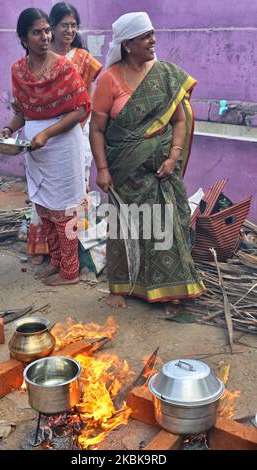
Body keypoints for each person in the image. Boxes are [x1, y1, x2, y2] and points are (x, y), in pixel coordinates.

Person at [89, 12, 206, 311]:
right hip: (123, 172)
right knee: (123, 230)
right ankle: (120, 287)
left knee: (165, 228)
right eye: (145, 36)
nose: (153, 41)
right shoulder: (109, 80)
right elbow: (97, 129)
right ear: (128, 44)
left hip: (161, 172)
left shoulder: (165, 75)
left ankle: (171, 291)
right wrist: (102, 169)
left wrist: (173, 157)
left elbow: (180, 121)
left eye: (152, 34)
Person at [0, 8, 90, 285]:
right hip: (35, 149)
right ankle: (58, 263)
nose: (45, 37)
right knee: (44, 208)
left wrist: (48, 134)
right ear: (24, 37)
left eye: (46, 30)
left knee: (65, 212)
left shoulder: (64, 67)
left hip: (62, 146)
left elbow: (80, 109)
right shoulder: (18, 70)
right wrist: (9, 129)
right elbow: (22, 112)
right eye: (37, 32)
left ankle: (71, 272)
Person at [26, 2, 103, 265]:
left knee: (73, 192)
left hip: (75, 131)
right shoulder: (40, 61)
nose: (69, 30)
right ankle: (44, 248)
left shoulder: (82, 58)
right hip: (43, 135)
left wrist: (79, 128)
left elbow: (88, 98)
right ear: (52, 28)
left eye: (73, 25)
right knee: (42, 190)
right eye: (64, 25)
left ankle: (78, 252)